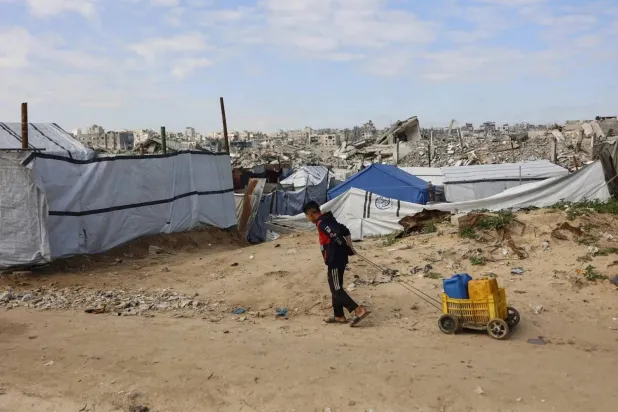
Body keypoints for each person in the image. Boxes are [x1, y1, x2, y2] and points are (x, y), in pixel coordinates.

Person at [303, 201, 370, 326]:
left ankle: (358, 310)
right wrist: (350, 247)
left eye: (307, 216)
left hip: (334, 259)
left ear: (310, 214)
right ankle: (339, 316)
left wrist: (346, 247)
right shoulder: (328, 219)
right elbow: (345, 230)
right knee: (335, 286)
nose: (308, 219)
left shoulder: (322, 223)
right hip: (340, 258)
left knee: (336, 288)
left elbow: (335, 235)